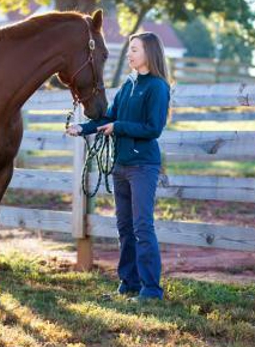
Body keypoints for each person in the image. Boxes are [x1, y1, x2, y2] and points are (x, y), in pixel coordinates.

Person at [66, 32, 171, 301]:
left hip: (142, 167)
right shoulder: (128, 84)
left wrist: (119, 128)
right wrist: (84, 128)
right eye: (129, 50)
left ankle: (151, 289)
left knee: (142, 227)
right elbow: (109, 116)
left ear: (149, 52)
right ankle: (128, 282)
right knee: (124, 227)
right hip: (121, 166)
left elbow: (153, 128)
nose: (129, 54)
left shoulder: (157, 87)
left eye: (134, 49)